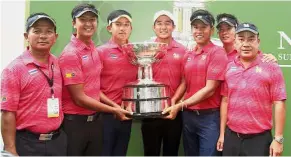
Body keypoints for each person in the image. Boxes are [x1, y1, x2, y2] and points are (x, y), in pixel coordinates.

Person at [58, 4, 131, 156]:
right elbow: (79, 98)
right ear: (74, 23)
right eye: (83, 20)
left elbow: (95, 87)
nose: (88, 24)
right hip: (75, 123)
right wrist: (114, 109)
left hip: (95, 121)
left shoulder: (92, 48)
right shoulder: (71, 54)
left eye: (92, 19)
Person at [162, 9, 228, 156]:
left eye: (203, 27)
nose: (199, 31)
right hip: (189, 117)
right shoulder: (188, 54)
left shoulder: (217, 53)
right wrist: (174, 100)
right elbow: (185, 83)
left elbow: (210, 89)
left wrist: (180, 105)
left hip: (209, 118)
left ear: (211, 30)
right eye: (195, 27)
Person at [1, 12, 67, 156]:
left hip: (57, 141)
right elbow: (7, 113)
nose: (43, 36)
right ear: (26, 36)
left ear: (55, 37)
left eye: (49, 32)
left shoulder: (56, 62)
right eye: (37, 31)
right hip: (27, 144)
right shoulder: (14, 69)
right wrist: (10, 149)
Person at [218, 22, 286, 156]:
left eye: (251, 39)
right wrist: (222, 134)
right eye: (241, 39)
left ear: (258, 42)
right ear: (235, 42)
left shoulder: (271, 67)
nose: (246, 44)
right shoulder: (229, 67)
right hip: (231, 137)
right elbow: (225, 100)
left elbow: (279, 103)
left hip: (259, 140)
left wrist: (278, 139)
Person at [141, 10, 185, 156]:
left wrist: (173, 102)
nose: (163, 27)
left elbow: (185, 81)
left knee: (171, 152)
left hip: (173, 111)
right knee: (150, 152)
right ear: (154, 27)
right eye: (159, 23)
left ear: (173, 27)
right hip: (149, 112)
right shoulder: (145, 49)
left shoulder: (183, 50)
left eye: (167, 23)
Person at [96, 10, 137, 156]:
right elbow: (94, 88)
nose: (122, 28)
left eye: (126, 25)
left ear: (131, 28)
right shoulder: (100, 52)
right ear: (109, 28)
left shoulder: (136, 52)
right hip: (106, 115)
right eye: (118, 24)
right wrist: (114, 107)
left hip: (127, 114)